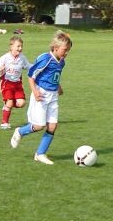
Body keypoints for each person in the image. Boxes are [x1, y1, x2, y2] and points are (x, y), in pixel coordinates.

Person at [10, 30, 72, 165]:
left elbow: (54, 77)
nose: (66, 53)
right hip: (41, 95)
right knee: (39, 126)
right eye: (65, 50)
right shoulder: (45, 59)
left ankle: (40, 154)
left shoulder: (61, 62)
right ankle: (20, 131)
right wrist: (35, 92)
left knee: (52, 126)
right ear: (56, 48)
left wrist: (58, 87)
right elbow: (31, 75)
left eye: (68, 51)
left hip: (53, 96)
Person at [0, 36, 31, 130]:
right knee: (9, 102)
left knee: (21, 103)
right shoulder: (5, 57)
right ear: (11, 46)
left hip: (17, 84)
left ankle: (7, 106)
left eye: (21, 46)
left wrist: (39, 67)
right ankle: (4, 123)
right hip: (6, 83)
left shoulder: (22, 58)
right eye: (18, 46)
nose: (20, 48)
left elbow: (28, 66)